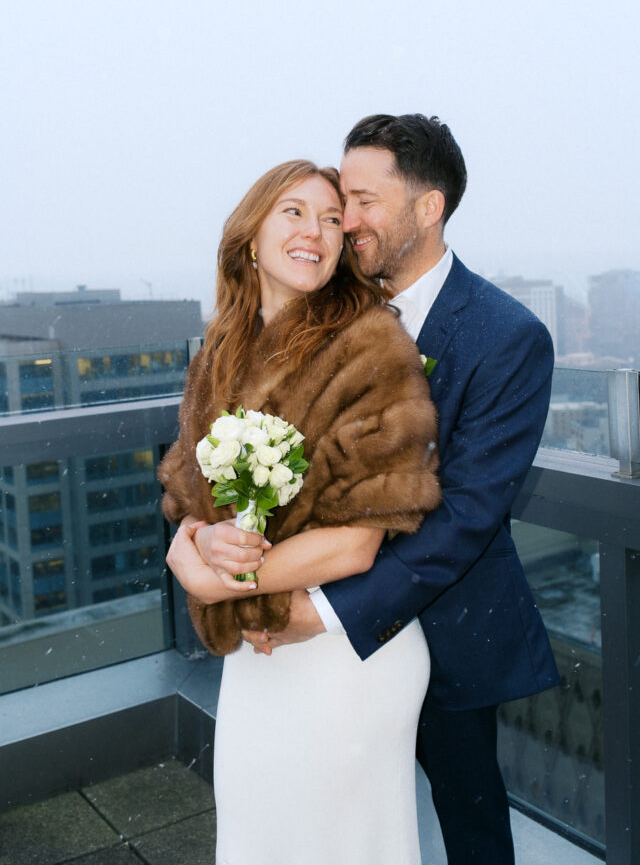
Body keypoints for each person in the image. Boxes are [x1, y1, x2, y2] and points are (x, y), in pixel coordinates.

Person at [202, 116, 560, 865]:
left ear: (426, 209)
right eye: (339, 201)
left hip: (445, 624)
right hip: (306, 622)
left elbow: (466, 514)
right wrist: (205, 545)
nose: (345, 219)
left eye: (360, 201)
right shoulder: (320, 307)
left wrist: (319, 611)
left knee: (468, 818)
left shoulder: (507, 335)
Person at [160, 158, 442, 865]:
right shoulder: (218, 354)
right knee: (257, 840)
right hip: (258, 652)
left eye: (329, 219)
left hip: (342, 657)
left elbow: (357, 543)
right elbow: (188, 496)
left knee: (343, 847)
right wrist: (194, 539)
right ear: (250, 235)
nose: (315, 231)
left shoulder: (371, 343)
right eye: (293, 211)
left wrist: (212, 582)